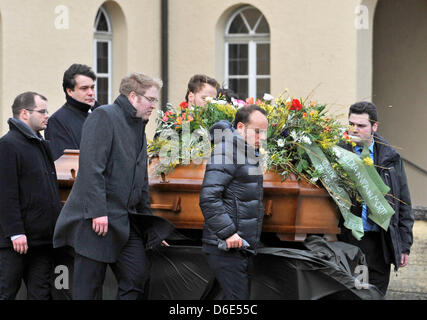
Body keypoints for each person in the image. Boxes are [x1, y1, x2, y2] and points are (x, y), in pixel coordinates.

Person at [53, 72, 174, 300]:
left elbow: (141, 181)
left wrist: (149, 225)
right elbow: (91, 169)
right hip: (97, 222)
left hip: (125, 221)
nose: (153, 106)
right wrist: (98, 212)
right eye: (150, 99)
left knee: (137, 278)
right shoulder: (104, 116)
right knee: (88, 289)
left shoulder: (138, 124)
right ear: (132, 96)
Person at [338, 101, 414, 296]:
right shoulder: (338, 153)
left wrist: (404, 245)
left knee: (376, 295)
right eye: (351, 124)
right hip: (351, 241)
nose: (354, 130)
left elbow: (403, 202)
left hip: (380, 242)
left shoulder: (390, 157)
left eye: (361, 125)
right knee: (357, 294)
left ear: (374, 127)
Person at [199, 104, 268, 300]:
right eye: (257, 132)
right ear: (240, 127)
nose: (262, 138)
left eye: (264, 132)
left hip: (239, 245)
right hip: (226, 244)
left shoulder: (244, 152)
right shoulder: (226, 152)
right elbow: (209, 197)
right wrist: (228, 233)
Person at [0, 92, 62, 299]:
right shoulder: (8, 145)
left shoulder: (40, 144)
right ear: (25, 113)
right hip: (15, 242)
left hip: (42, 241)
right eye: (42, 111)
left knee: (41, 294)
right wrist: (16, 232)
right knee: (6, 291)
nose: (47, 116)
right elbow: (6, 193)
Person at [45, 63, 100, 161]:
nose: (91, 93)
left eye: (92, 87)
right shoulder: (57, 122)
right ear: (69, 91)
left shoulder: (99, 115)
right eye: (84, 88)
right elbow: (66, 164)